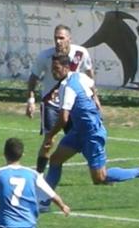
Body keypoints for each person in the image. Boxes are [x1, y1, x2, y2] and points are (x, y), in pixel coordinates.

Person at [42, 53, 139, 205]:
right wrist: (95, 99)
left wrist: (49, 136)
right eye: (52, 68)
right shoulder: (79, 77)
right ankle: (44, 201)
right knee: (56, 160)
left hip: (91, 134)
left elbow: (63, 118)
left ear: (66, 67)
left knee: (99, 178)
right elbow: (91, 85)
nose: (53, 72)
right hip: (78, 132)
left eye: (56, 68)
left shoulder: (67, 87)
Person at [26, 24, 94, 174]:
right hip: (51, 103)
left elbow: (89, 74)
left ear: (69, 39)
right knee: (49, 140)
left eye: (61, 38)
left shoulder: (80, 53)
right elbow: (33, 77)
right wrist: (30, 100)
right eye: (56, 38)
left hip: (72, 104)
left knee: (81, 138)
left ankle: (99, 170)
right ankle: (39, 175)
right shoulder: (45, 56)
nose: (58, 41)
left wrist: (93, 97)